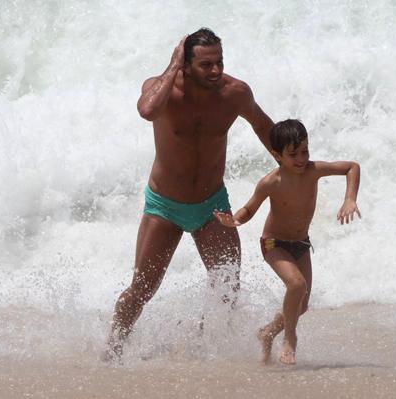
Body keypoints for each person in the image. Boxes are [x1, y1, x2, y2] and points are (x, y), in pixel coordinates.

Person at [101, 28, 275, 361]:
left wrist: (294, 169)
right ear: (185, 64)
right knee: (142, 290)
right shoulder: (162, 90)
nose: (216, 71)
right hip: (164, 207)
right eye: (206, 64)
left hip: (212, 206)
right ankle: (113, 348)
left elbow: (264, 127)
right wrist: (171, 65)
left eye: (219, 62)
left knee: (228, 289)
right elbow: (147, 111)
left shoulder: (234, 93)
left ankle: (201, 345)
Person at [213, 119, 361, 365]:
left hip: (301, 244)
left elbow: (352, 167)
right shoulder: (272, 182)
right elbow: (250, 208)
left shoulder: (314, 170)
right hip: (274, 243)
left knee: (300, 306)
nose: (301, 159)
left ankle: (267, 332)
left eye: (304, 151)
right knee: (296, 285)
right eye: (293, 154)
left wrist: (349, 199)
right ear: (277, 155)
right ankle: (290, 337)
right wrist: (234, 220)